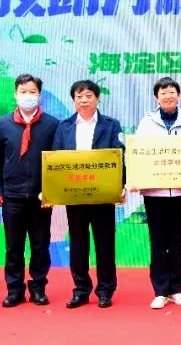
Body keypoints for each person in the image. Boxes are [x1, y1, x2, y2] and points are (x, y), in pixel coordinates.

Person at [52, 79, 125, 309]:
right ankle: (81, 289)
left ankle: (105, 290)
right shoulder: (64, 127)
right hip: (74, 195)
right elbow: (55, 159)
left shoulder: (111, 125)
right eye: (79, 96)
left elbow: (120, 157)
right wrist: (53, 191)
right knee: (78, 244)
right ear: (73, 100)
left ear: (97, 99)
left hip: (103, 196)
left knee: (105, 244)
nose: (84, 100)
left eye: (88, 96)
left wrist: (120, 185)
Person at [0, 74, 59, 307]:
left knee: (40, 244)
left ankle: (38, 287)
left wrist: (51, 191)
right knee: (13, 246)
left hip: (41, 196)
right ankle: (14, 289)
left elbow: (57, 161)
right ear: (15, 94)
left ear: (39, 95)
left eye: (32, 92)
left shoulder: (52, 124)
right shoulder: (2, 124)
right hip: (12, 195)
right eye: (23, 92)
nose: (27, 96)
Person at [131, 76, 181, 310]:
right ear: (156, 97)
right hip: (154, 192)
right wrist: (135, 179)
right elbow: (138, 154)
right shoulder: (146, 123)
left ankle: (176, 289)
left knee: (177, 241)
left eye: (172, 92)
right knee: (158, 241)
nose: (168, 96)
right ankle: (160, 291)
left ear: (178, 95)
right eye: (163, 92)